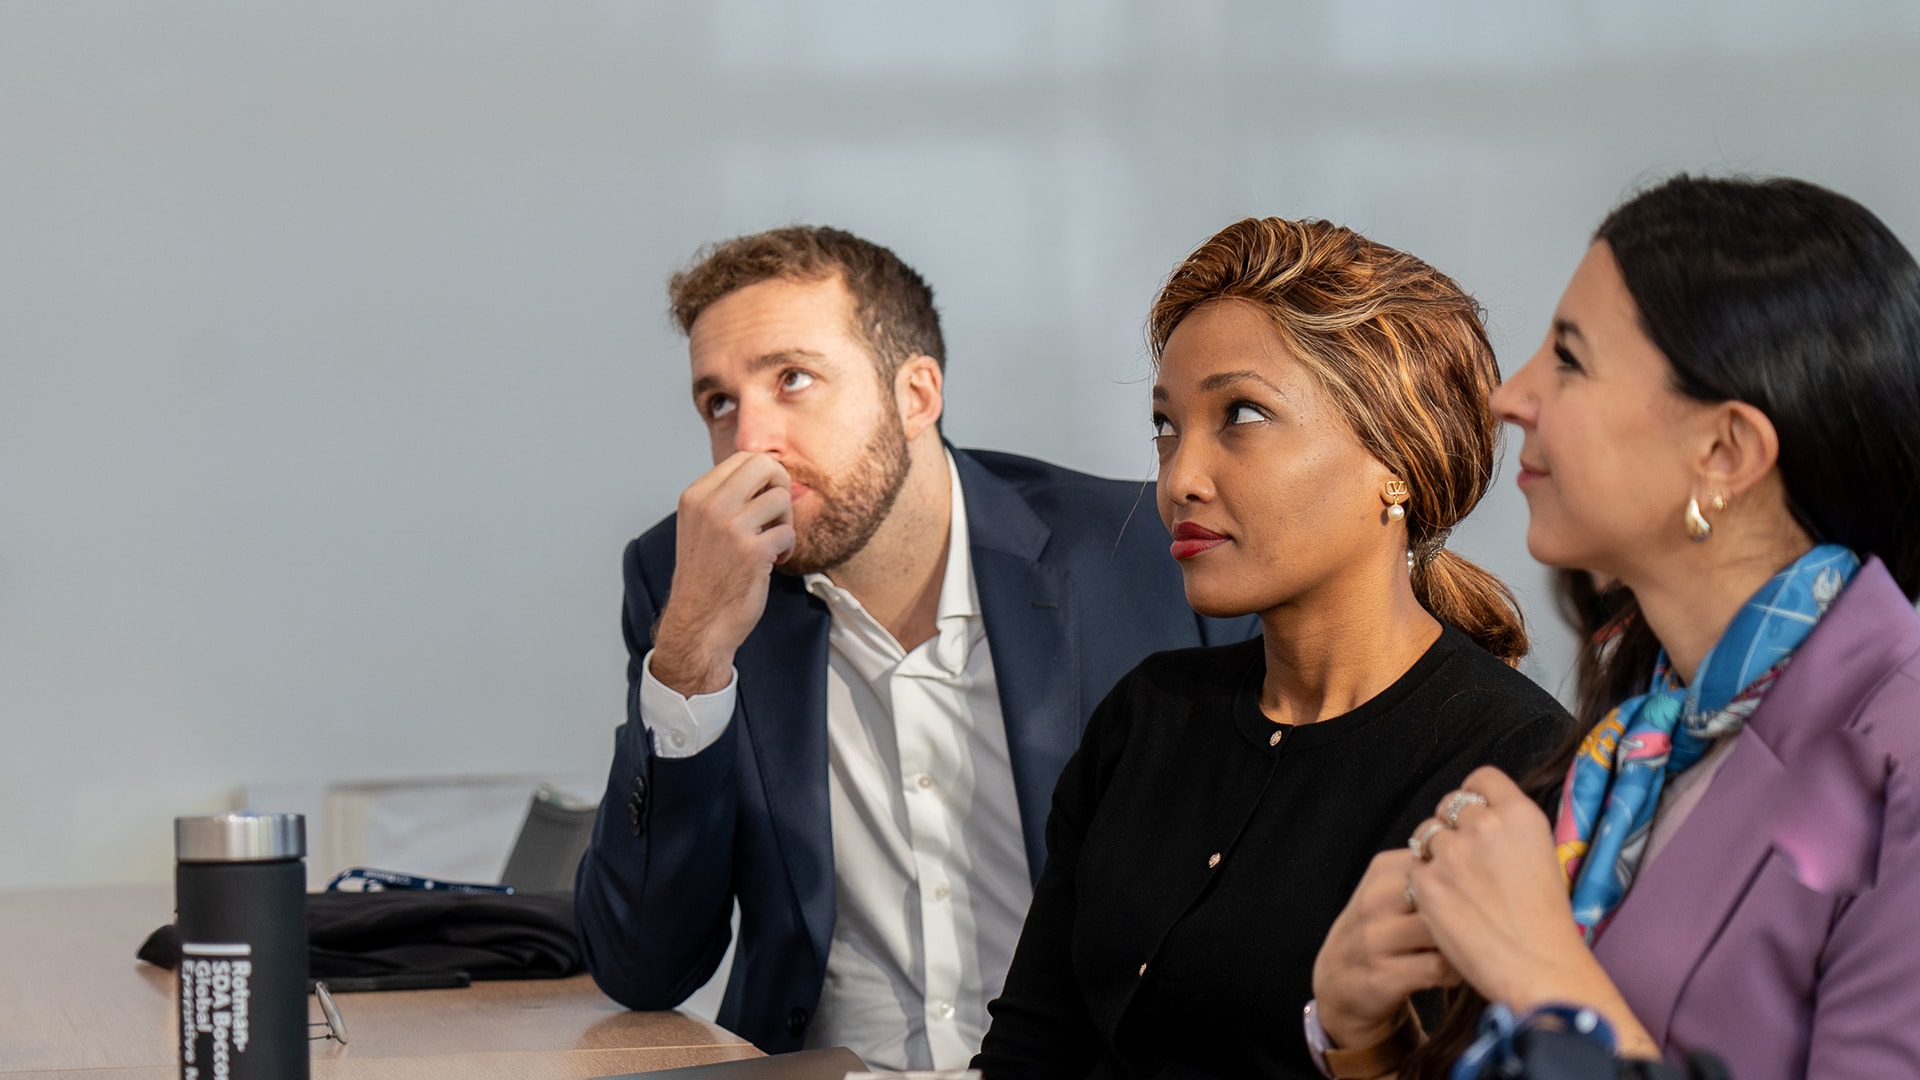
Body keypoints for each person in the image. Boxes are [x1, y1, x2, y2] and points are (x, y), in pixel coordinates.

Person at [572, 226, 1256, 1067]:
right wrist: (690, 660)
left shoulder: (1143, 555)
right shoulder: (685, 577)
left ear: (917, 395)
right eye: (718, 402)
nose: (749, 441)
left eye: (793, 380)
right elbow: (645, 965)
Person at [1309, 175, 1920, 1080]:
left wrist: (1543, 977)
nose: (1509, 398)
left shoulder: (1902, 752)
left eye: (1570, 359)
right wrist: (1367, 1043)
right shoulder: (1632, 744)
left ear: (1724, 453)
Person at [972, 218, 1572, 1080]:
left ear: (1397, 458)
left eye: (1241, 415)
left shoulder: (1512, 769)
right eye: (1166, 425)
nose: (1179, 478)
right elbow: (1031, 1048)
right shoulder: (1148, 716)